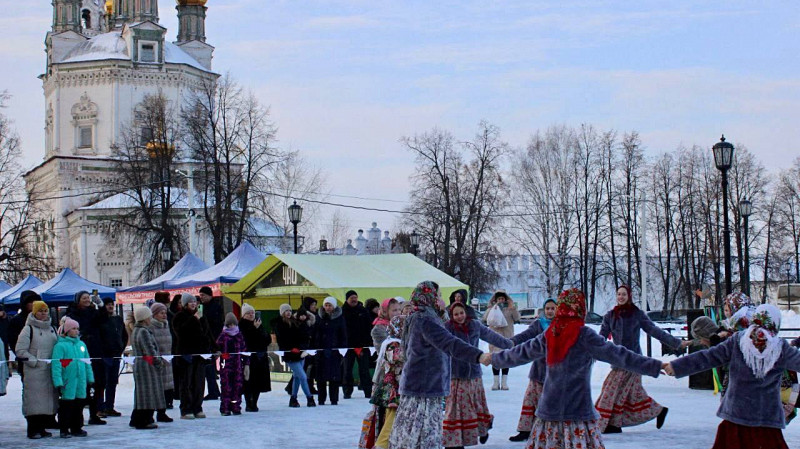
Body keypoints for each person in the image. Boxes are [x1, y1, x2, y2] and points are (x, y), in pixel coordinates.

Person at [484, 288, 665, 449]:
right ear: (580, 309)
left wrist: (493, 359)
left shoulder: (551, 333)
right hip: (578, 415)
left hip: (550, 413)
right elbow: (620, 355)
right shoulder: (584, 335)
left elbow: (521, 353)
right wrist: (655, 366)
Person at [664, 304, 800, 449]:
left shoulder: (738, 341)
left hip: (736, 416)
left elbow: (708, 357)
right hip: (766, 420)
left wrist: (677, 366)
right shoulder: (780, 347)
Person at [388, 281, 485, 449]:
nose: (442, 301)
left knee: (414, 433)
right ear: (429, 297)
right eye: (439, 296)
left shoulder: (421, 317)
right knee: (420, 436)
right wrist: (478, 355)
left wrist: (441, 313)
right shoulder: (425, 320)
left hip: (420, 386)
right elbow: (449, 342)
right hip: (424, 388)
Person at [594, 285, 690, 433]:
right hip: (618, 361)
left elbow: (654, 330)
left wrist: (677, 343)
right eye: (619, 294)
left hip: (634, 362)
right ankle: (652, 413)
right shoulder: (610, 316)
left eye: (624, 294)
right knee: (628, 394)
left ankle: (610, 423)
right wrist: (590, 349)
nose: (621, 297)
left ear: (629, 296)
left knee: (612, 392)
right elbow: (601, 338)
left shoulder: (637, 314)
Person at [443, 302, 513, 448]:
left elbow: (491, 336)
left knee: (475, 405)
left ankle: (483, 427)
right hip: (455, 374)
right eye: (456, 314)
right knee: (455, 409)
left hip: (473, 374)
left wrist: (510, 344)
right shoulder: (447, 328)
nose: (459, 316)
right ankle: (455, 440)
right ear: (451, 316)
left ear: (466, 312)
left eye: (461, 313)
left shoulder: (474, 325)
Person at [508, 298, 557, 443]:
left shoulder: (561, 325)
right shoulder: (538, 324)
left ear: (558, 309)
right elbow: (526, 336)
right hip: (539, 370)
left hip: (556, 372)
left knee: (549, 403)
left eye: (553, 308)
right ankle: (525, 430)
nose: (550, 311)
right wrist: (510, 342)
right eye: (547, 308)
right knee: (530, 399)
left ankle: (550, 431)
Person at [15, 300, 58, 439]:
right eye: (40, 311)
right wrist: (35, 361)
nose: (43, 313)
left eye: (45, 311)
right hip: (34, 371)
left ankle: (43, 427)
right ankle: (33, 429)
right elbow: (20, 350)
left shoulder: (52, 328)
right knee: (34, 401)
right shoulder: (28, 329)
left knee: (47, 401)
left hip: (50, 369)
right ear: (34, 312)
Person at [172, 292, 218, 420]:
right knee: (187, 383)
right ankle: (186, 409)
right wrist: (194, 319)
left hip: (200, 354)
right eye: (190, 302)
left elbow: (208, 333)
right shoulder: (179, 316)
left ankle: (197, 407)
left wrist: (215, 347)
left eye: (195, 302)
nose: (193, 304)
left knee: (199, 383)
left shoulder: (202, 316)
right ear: (185, 304)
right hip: (186, 353)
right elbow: (181, 332)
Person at [66, 290, 105, 425]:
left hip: (95, 351)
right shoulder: (72, 314)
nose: (87, 300)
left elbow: (103, 318)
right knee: (81, 385)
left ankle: (94, 414)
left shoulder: (93, 312)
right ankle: (77, 416)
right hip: (79, 351)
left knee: (96, 383)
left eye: (88, 298)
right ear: (78, 300)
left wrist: (100, 305)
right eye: (84, 298)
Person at [51, 317, 94, 438]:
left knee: (79, 405)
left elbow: (87, 362)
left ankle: (77, 427)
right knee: (66, 406)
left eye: (77, 329)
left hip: (80, 381)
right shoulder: (60, 346)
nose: (76, 331)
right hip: (67, 381)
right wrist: (58, 381)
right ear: (67, 331)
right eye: (73, 328)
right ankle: (64, 428)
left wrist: (90, 378)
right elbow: (56, 365)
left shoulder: (81, 345)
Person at [369, 315, 406, 449]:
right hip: (393, 388)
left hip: (396, 387)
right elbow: (397, 358)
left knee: (391, 417)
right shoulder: (392, 344)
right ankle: (381, 444)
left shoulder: (397, 343)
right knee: (391, 417)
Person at [272, 304, 315, 407]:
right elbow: (282, 340)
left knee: (297, 377)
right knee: (303, 376)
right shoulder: (279, 324)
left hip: (300, 353)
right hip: (290, 355)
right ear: (282, 312)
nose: (288, 313)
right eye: (286, 311)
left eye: (290, 311)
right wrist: (291, 349)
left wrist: (301, 348)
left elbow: (302, 336)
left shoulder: (296, 322)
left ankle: (293, 399)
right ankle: (309, 397)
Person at [130, 306, 165, 430]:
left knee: (141, 393)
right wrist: (158, 362)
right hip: (147, 366)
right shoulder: (144, 331)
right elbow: (149, 350)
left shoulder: (136, 330)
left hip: (141, 365)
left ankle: (137, 418)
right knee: (148, 393)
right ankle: (144, 420)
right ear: (145, 318)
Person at [482, 290, 520, 390]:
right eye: (499, 299)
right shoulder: (492, 308)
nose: (501, 301)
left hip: (507, 337)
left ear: (506, 299)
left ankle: (504, 383)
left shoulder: (509, 309)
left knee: (506, 359)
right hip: (494, 338)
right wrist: (490, 308)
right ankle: (495, 383)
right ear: (496, 299)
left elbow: (517, 318)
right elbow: (485, 319)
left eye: (502, 299)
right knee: (494, 359)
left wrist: (513, 308)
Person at [94, 297, 126, 418]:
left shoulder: (117, 319)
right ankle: (100, 407)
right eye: (107, 304)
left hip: (116, 355)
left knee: (112, 382)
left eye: (111, 304)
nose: (110, 306)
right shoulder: (101, 319)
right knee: (103, 382)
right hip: (104, 356)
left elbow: (124, 335)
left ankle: (109, 406)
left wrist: (120, 347)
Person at [312, 297, 346, 406]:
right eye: (326, 305)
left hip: (334, 351)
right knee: (320, 377)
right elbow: (314, 333)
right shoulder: (319, 318)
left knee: (334, 377)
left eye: (330, 305)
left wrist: (342, 349)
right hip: (321, 351)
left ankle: (334, 399)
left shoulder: (340, 318)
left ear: (334, 306)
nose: (328, 307)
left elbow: (343, 334)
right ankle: (321, 399)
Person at [239, 303, 271, 412]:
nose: (251, 315)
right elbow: (247, 340)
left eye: (252, 312)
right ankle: (249, 403)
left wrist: (259, 329)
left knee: (258, 382)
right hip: (248, 358)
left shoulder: (259, 324)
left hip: (260, 357)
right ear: (244, 315)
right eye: (248, 313)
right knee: (248, 382)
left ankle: (255, 402)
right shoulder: (241, 325)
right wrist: (255, 329)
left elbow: (267, 340)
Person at [342, 290, 373, 399]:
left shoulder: (363, 310)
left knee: (364, 370)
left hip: (362, 346)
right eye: (352, 298)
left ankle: (368, 391)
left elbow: (369, 327)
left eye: (355, 297)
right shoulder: (343, 311)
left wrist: (367, 343)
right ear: (347, 299)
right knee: (347, 370)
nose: (354, 299)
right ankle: (347, 391)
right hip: (348, 346)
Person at [217, 312, 248, 416]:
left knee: (237, 387)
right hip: (226, 366)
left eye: (233, 324)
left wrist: (246, 364)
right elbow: (217, 348)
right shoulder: (223, 336)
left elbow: (244, 350)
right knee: (226, 388)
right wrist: (219, 354)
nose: (231, 326)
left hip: (238, 366)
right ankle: (225, 408)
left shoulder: (239, 335)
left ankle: (235, 407)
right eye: (229, 324)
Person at [149, 302, 175, 420]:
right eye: (161, 313)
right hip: (157, 360)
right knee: (158, 387)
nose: (164, 315)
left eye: (165, 313)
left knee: (167, 387)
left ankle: (163, 410)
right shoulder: (151, 327)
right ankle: (158, 411)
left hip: (168, 359)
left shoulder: (167, 325)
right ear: (154, 315)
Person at [7, 290, 40, 378]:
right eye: (30, 302)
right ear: (24, 304)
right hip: (26, 361)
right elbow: (14, 342)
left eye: (35, 302)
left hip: (43, 359)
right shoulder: (16, 320)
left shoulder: (43, 319)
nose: (33, 304)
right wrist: (25, 356)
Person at [198, 287, 223, 401]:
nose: (201, 297)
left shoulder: (215, 307)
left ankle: (214, 391)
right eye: (200, 295)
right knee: (209, 367)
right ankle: (214, 390)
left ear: (209, 295)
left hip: (212, 341)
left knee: (210, 367)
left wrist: (216, 343)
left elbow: (216, 326)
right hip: (205, 341)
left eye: (203, 295)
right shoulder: (202, 307)